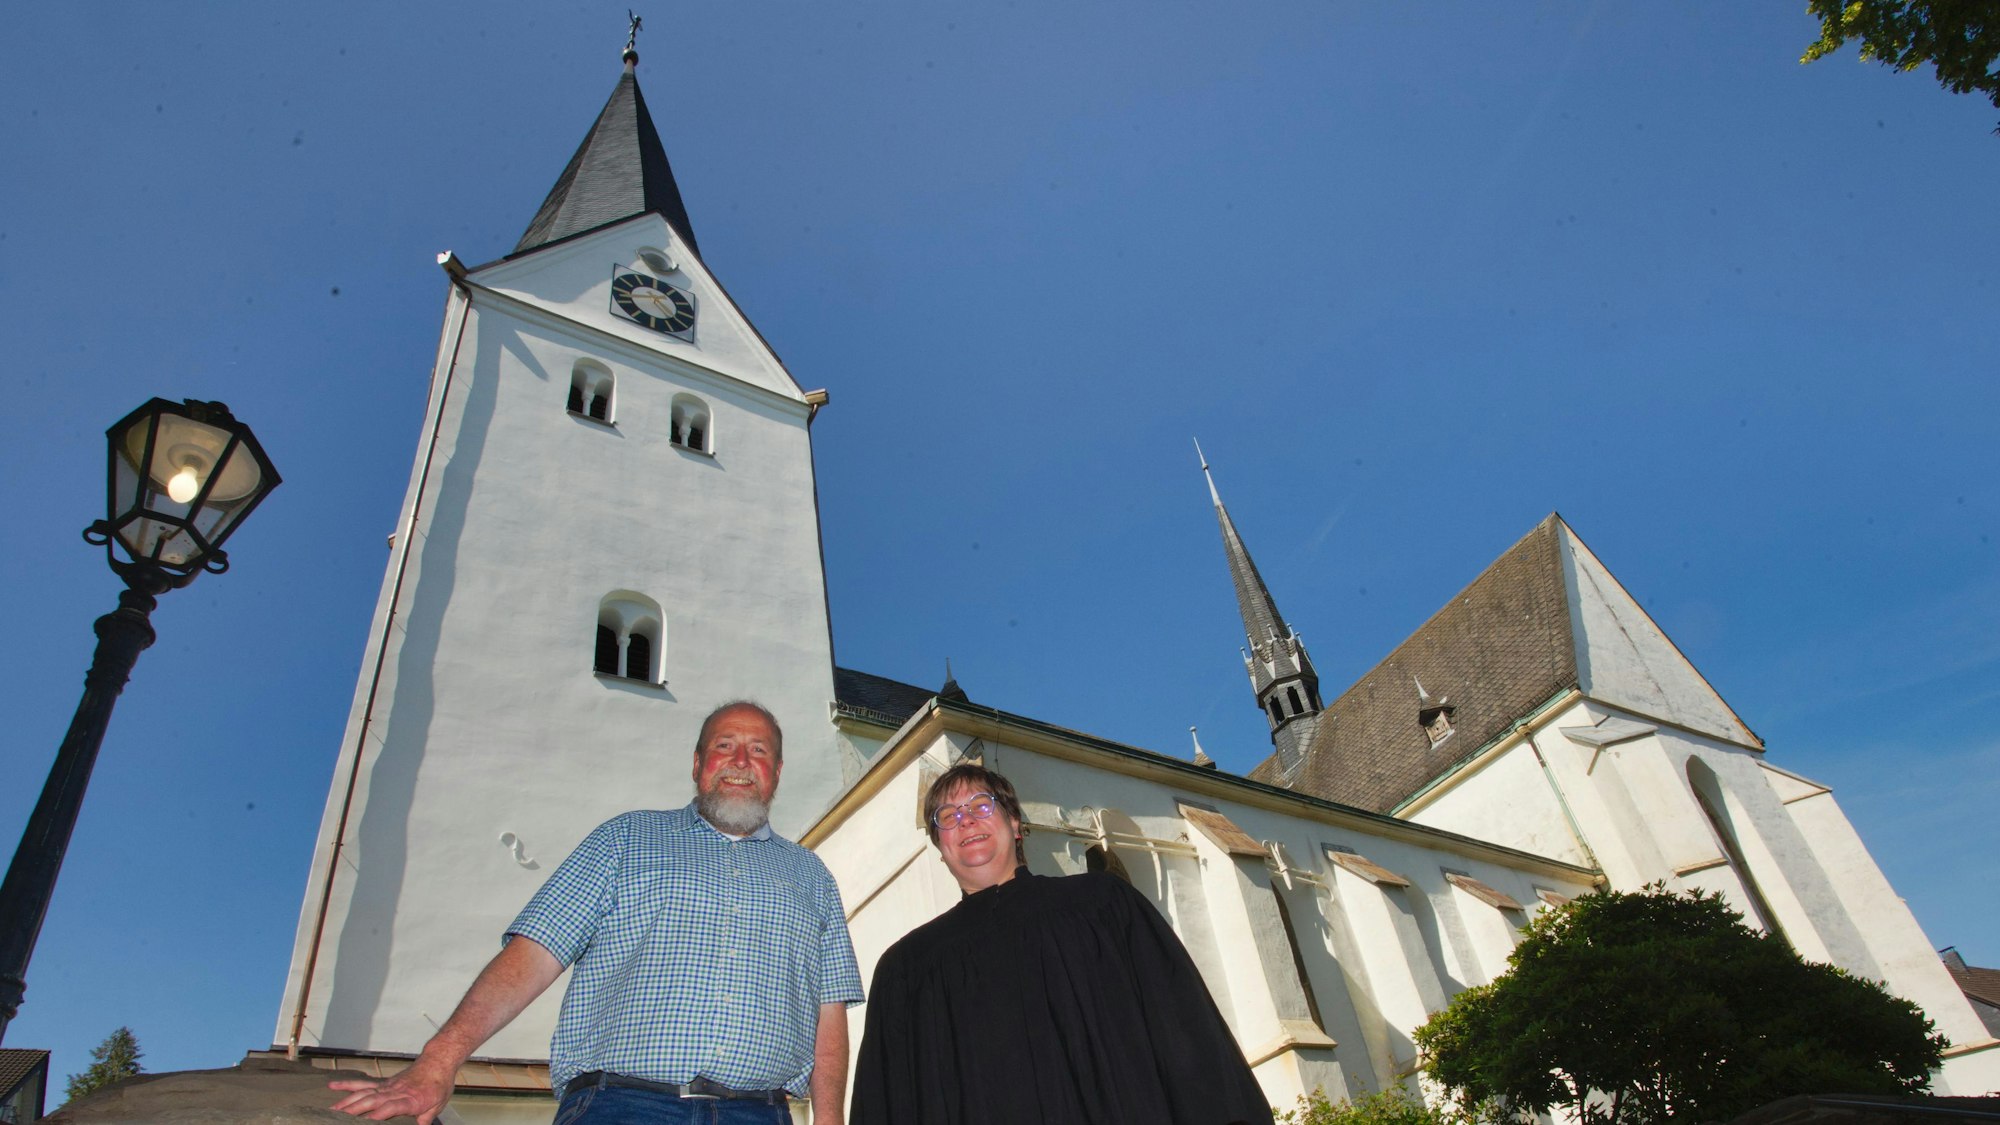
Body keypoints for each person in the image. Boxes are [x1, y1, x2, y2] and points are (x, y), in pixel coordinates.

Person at [330, 700, 865, 1124]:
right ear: (698, 764)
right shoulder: (625, 839)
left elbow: (828, 1014)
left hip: (760, 1112)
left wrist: (830, 1121)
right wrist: (439, 1060)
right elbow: (535, 954)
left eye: (759, 750)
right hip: (622, 1105)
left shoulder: (812, 877)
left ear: (776, 772)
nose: (741, 761)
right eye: (724, 746)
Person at [850, 763, 1273, 1125]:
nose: (966, 821)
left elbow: (1183, 1034)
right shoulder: (908, 971)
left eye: (981, 806)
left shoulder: (1103, 904)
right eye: (948, 816)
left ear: (1015, 824)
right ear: (940, 847)